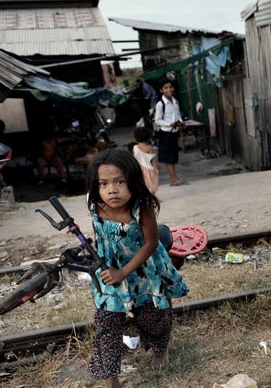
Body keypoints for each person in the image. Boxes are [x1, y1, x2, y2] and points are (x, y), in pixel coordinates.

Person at [84, 148, 188, 387]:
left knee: (152, 316)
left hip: (144, 269)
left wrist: (124, 272)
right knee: (106, 323)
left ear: (132, 180)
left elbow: (151, 243)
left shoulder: (143, 208)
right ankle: (111, 379)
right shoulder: (95, 205)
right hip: (110, 272)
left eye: (120, 181)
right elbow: (99, 235)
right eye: (104, 183)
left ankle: (160, 349)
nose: (112, 189)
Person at [153, 77, 187, 186]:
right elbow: (158, 120)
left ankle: (174, 178)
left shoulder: (175, 101)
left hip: (174, 132)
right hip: (165, 133)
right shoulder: (160, 104)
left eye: (171, 87)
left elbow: (178, 115)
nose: (169, 90)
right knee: (168, 157)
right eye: (166, 88)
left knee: (173, 155)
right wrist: (169, 124)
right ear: (161, 90)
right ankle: (173, 179)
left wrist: (181, 122)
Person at [132, 126, 159, 194]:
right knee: (152, 185)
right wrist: (156, 169)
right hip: (149, 169)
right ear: (148, 137)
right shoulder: (149, 147)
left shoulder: (134, 147)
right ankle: (153, 198)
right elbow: (152, 160)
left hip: (140, 169)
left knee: (144, 185)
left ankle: (147, 199)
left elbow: (134, 158)